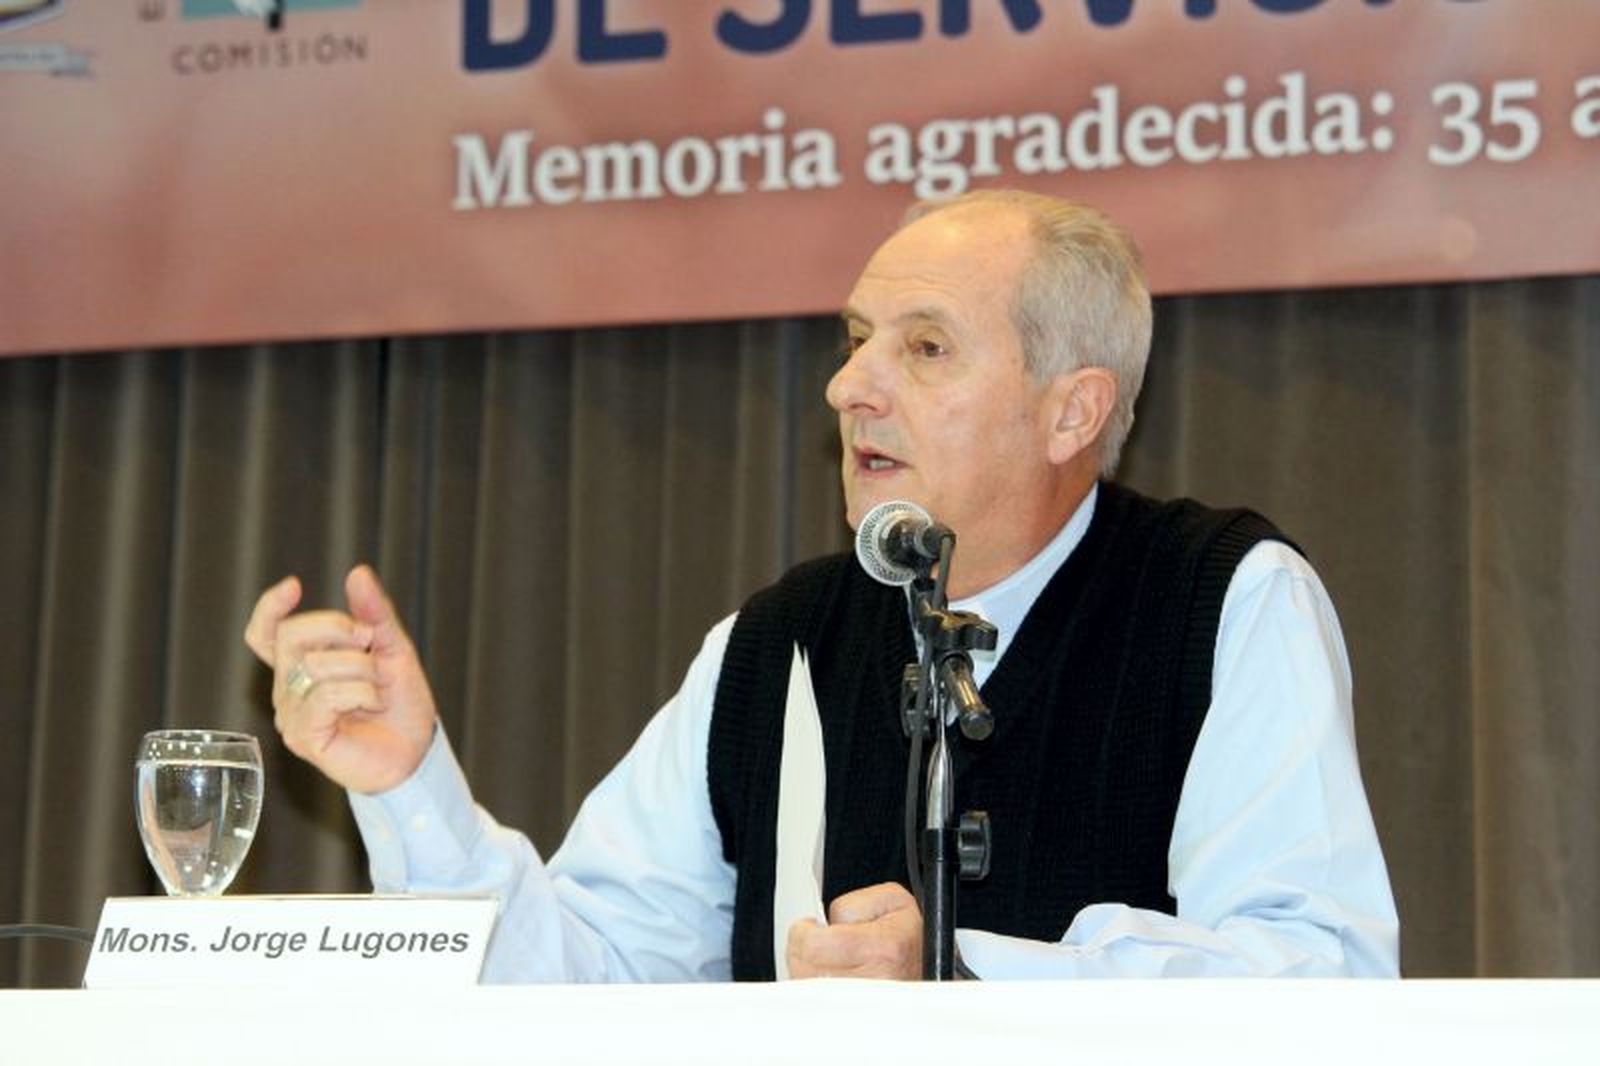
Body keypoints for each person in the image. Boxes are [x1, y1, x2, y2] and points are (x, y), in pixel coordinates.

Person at [244, 190, 1399, 982]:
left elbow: (1317, 978)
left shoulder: (1228, 600)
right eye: (856, 339)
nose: (850, 384)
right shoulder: (776, 641)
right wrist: (407, 784)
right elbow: (586, 980)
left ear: (1072, 411)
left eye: (925, 347)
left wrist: (960, 967)